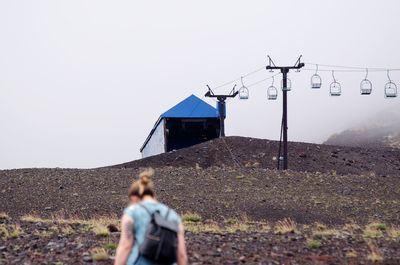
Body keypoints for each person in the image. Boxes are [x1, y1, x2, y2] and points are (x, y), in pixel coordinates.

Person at [115, 168, 187, 265]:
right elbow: (181, 253)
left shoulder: (132, 212)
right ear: (153, 196)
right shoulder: (173, 215)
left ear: (134, 197)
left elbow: (125, 245)